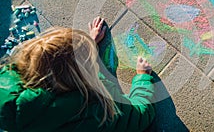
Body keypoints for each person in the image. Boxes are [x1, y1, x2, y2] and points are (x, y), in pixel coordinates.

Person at [0, 17, 155, 132]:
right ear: (79, 78)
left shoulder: (7, 91)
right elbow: (140, 116)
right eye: (86, 61)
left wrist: (87, 46)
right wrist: (142, 78)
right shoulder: (95, 109)